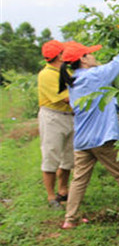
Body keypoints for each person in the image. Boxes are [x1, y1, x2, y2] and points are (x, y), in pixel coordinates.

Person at [59, 32, 119, 229]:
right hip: (103, 138)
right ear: (83, 59)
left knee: (79, 180)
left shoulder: (75, 81)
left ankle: (70, 219)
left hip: (83, 140)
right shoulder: (95, 75)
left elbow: (99, 102)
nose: (94, 57)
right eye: (90, 54)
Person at [38, 40, 74, 210]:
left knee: (68, 155)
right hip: (53, 117)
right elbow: (67, 98)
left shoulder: (62, 70)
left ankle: (63, 189)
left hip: (68, 116)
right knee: (51, 154)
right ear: (59, 55)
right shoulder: (46, 74)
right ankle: (51, 196)